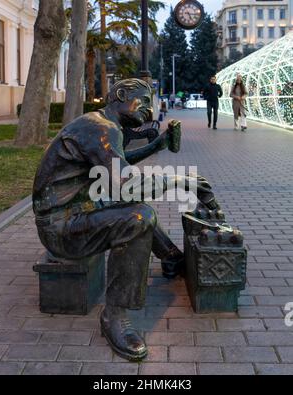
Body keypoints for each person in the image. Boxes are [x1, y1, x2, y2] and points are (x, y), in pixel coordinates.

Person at [33, 78, 219, 362]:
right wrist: (182, 180)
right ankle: (114, 316)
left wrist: (156, 146)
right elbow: (124, 183)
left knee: (129, 206)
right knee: (138, 216)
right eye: (143, 101)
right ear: (120, 95)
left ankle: (170, 257)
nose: (149, 109)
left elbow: (116, 164)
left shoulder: (99, 124)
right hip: (61, 229)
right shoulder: (101, 128)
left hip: (73, 214)